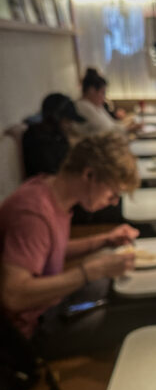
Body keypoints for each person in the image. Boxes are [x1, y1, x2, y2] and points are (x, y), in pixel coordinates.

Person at [0, 133, 145, 353]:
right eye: (112, 193)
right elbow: (13, 296)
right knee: (151, 317)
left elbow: (48, 251)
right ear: (89, 175)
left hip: (49, 305)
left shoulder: (46, 189)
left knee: (122, 288)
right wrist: (87, 272)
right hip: (29, 333)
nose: (113, 202)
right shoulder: (33, 214)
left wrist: (105, 240)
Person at [22, 93, 85, 177]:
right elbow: (56, 174)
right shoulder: (39, 142)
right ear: (54, 118)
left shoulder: (55, 136)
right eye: (67, 121)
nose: (70, 125)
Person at [75, 68, 138, 137]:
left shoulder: (95, 105)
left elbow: (111, 125)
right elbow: (105, 130)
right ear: (91, 90)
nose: (104, 96)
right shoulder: (83, 106)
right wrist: (128, 129)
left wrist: (128, 128)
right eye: (102, 93)